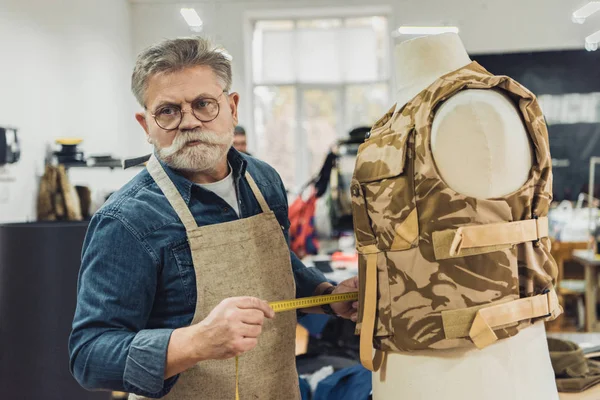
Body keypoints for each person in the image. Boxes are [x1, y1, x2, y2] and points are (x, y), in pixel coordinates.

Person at [68, 36, 358, 399]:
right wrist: (194, 342)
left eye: (204, 104)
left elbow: (275, 265)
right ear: (146, 125)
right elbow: (89, 355)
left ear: (232, 108)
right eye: (168, 111)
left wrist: (325, 295)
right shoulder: (127, 220)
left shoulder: (263, 180)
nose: (188, 122)